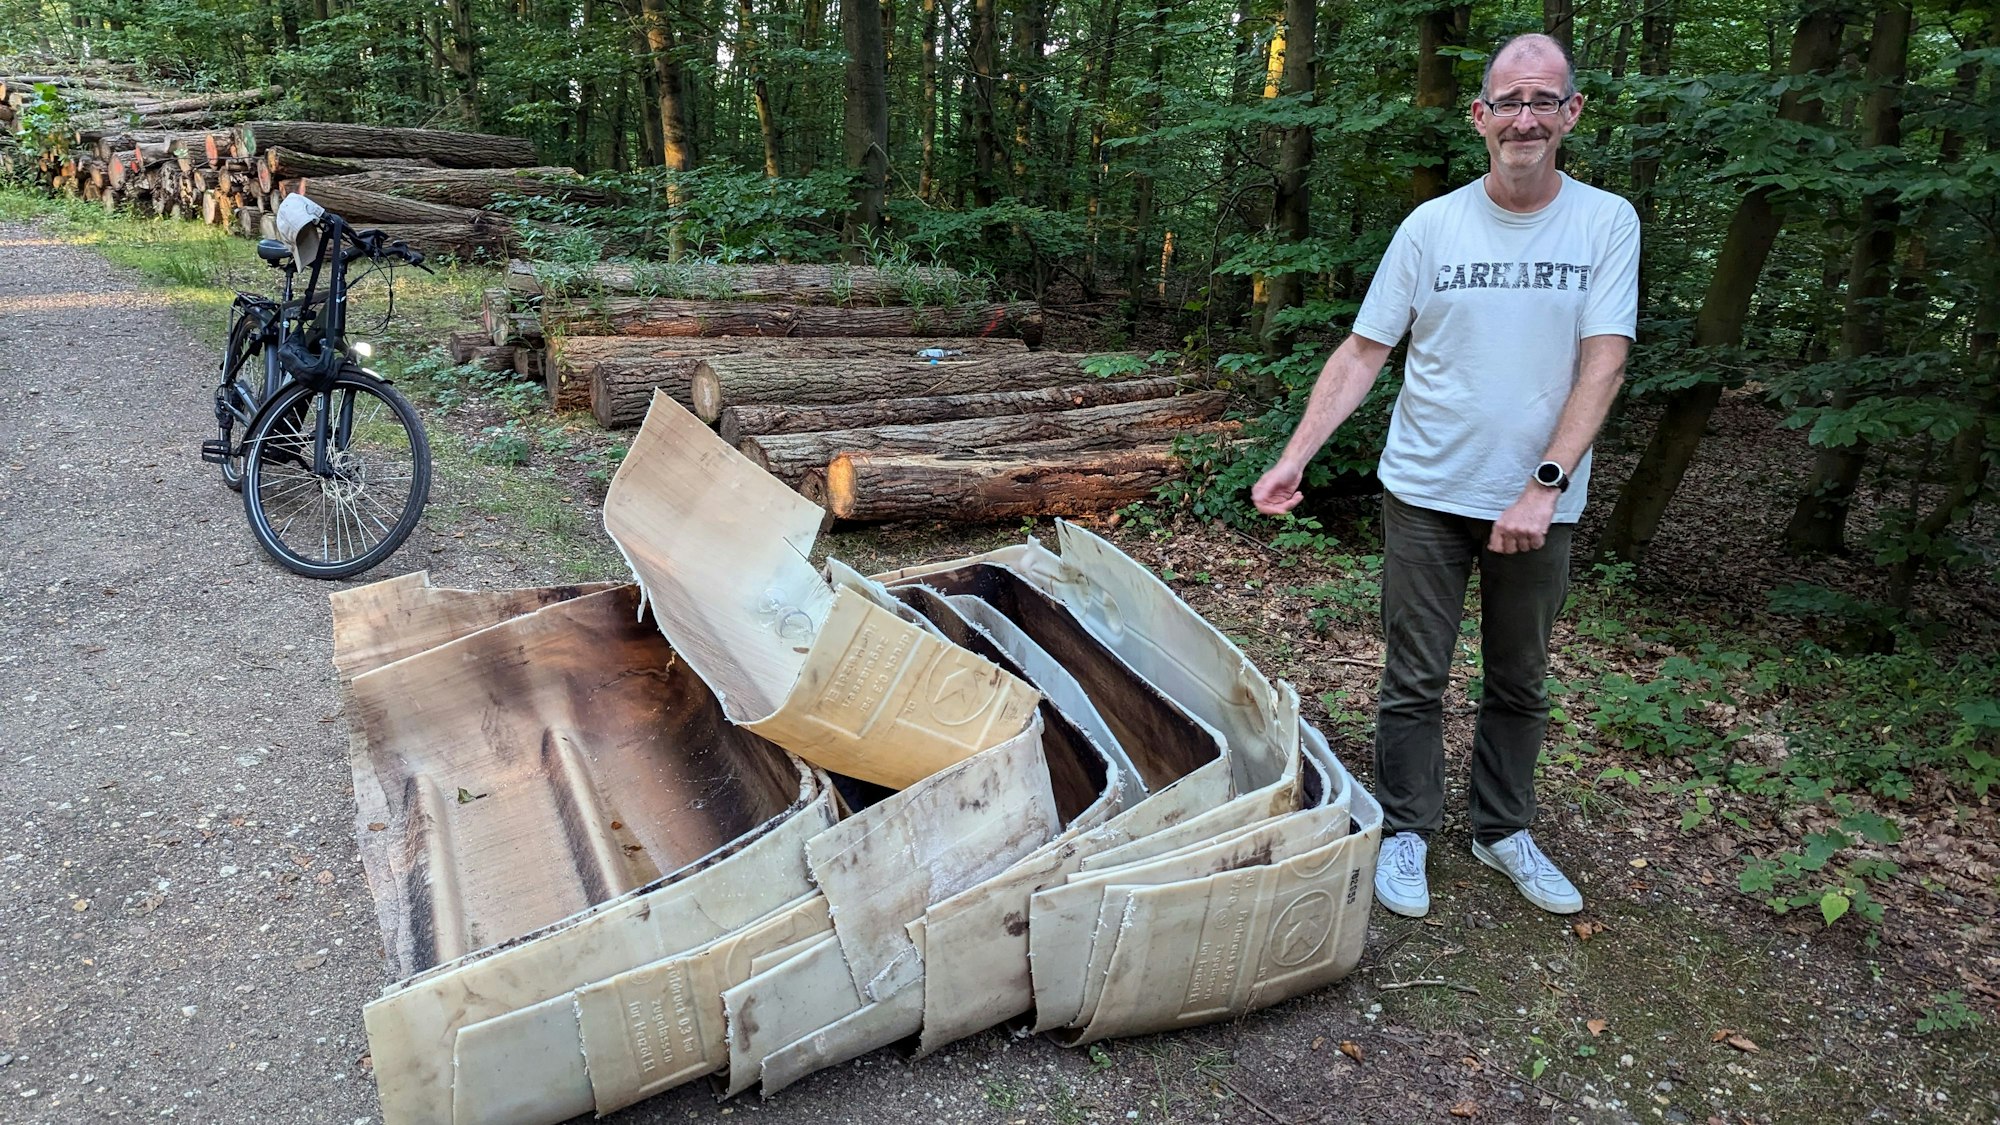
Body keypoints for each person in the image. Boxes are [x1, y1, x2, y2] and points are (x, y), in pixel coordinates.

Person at [1250, 33, 1639, 918]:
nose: (1526, 118)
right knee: (1414, 676)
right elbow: (1362, 351)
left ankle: (1503, 829)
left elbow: (1604, 362)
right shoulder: (1432, 227)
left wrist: (1544, 484)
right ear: (1481, 118)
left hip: (1541, 503)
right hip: (1425, 490)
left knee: (1520, 677)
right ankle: (1407, 830)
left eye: (1545, 100)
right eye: (1509, 102)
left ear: (1572, 113)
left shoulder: (1605, 221)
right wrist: (1294, 455)